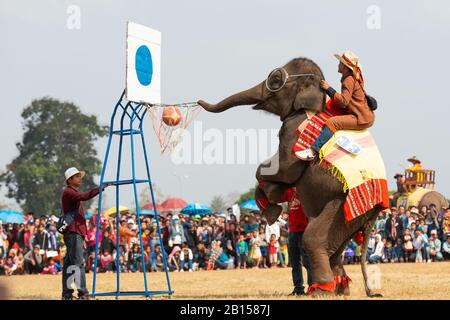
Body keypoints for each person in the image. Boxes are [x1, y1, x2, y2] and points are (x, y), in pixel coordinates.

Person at [297, 51, 374, 160]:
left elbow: (343, 101)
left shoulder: (348, 80)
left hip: (360, 118)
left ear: (344, 66)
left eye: (340, 63)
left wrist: (328, 88)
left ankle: (313, 151)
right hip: (362, 115)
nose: (338, 64)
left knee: (332, 122)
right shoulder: (350, 79)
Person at [61, 167, 109, 300]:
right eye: (76, 176)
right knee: (77, 264)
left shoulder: (71, 193)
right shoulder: (69, 193)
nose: (79, 178)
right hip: (73, 233)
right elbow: (84, 196)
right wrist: (99, 188)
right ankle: (83, 293)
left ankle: (67, 294)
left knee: (70, 265)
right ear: (70, 180)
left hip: (75, 233)